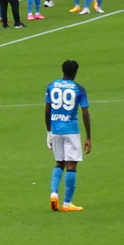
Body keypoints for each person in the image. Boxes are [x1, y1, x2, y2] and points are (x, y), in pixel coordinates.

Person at [46, 59, 92, 212]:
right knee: (71, 166)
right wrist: (88, 137)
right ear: (75, 72)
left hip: (56, 129)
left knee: (59, 162)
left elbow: (47, 110)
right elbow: (85, 113)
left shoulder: (52, 86)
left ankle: (53, 193)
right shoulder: (79, 89)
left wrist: (49, 132)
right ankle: (67, 203)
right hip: (71, 130)